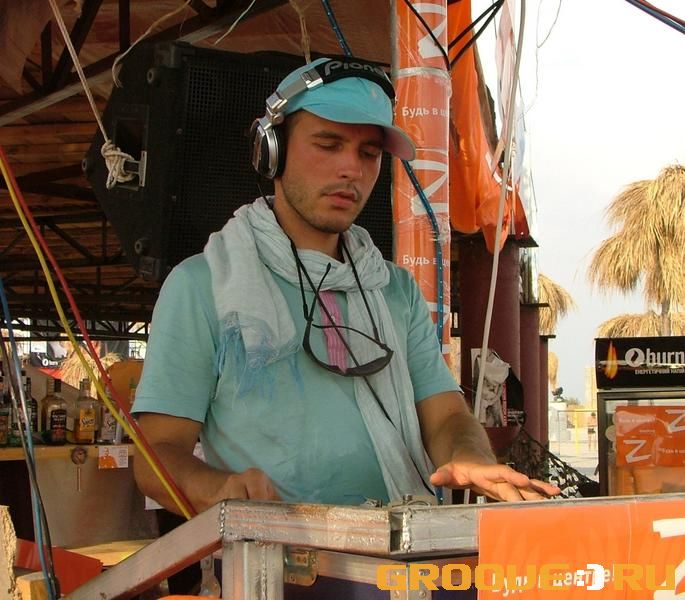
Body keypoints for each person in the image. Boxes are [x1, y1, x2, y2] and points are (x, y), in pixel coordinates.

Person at [132, 56, 559, 516]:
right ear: (272, 150)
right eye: (328, 144)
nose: (351, 169)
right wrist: (217, 490)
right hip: (274, 553)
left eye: (367, 153)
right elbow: (157, 453)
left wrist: (469, 455)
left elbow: (447, 416)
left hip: (404, 547)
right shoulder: (202, 286)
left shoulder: (395, 290)